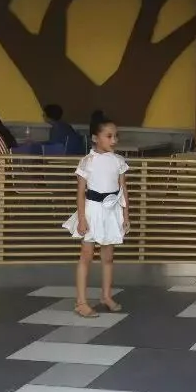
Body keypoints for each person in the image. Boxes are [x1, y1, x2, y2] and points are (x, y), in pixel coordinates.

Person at [62, 112, 129, 318]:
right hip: (92, 209)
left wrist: (126, 215)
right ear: (95, 138)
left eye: (115, 136)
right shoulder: (87, 161)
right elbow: (80, 192)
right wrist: (82, 218)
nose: (114, 140)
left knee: (108, 256)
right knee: (86, 256)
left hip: (111, 210)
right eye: (109, 136)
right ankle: (81, 302)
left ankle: (106, 296)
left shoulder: (118, 161)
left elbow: (123, 189)